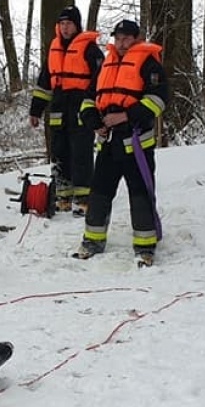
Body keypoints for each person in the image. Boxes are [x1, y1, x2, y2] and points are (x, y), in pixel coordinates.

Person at [71, 19, 167, 268]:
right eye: (118, 38)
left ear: (136, 38)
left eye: (127, 38)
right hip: (107, 143)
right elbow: (89, 99)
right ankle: (92, 241)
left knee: (140, 195)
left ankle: (145, 247)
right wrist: (93, 120)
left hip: (136, 144)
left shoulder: (149, 64)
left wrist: (126, 116)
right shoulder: (105, 64)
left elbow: (158, 100)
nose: (122, 43)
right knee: (99, 193)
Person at [29, 6, 103, 216]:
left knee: (81, 151)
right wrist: (35, 111)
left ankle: (83, 197)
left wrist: (96, 107)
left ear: (77, 25)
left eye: (69, 23)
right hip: (59, 106)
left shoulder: (90, 49)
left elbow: (101, 80)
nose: (65, 27)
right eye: (62, 24)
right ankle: (63, 195)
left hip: (81, 105)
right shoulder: (54, 49)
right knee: (59, 150)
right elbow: (44, 83)